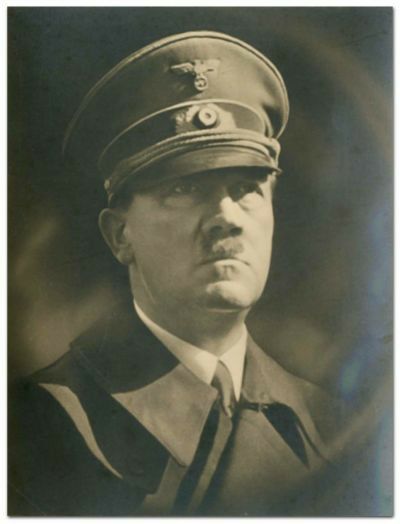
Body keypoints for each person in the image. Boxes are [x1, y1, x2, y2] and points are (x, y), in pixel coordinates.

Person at [9, 30, 337, 516]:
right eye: (184, 189)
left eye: (246, 188)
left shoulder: (328, 419)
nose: (226, 217)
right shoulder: (39, 427)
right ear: (120, 235)